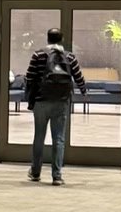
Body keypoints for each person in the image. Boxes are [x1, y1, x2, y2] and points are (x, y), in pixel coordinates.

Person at [23, 27, 86, 185]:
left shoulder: (38, 55)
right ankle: (57, 176)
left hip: (41, 101)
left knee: (39, 136)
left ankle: (35, 172)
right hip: (61, 101)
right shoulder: (69, 56)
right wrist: (83, 90)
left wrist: (29, 95)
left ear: (48, 38)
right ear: (61, 39)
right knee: (59, 138)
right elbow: (78, 77)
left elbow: (29, 77)